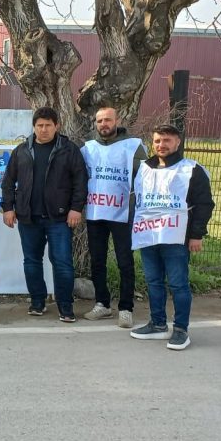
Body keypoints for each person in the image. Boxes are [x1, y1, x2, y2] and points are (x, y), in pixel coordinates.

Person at [130, 125, 214, 350]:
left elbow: (205, 204)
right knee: (153, 281)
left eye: (167, 140)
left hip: (177, 238)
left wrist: (197, 235)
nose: (161, 145)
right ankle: (157, 324)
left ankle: (180, 330)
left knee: (178, 284)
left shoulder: (191, 170)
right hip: (148, 235)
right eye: (157, 141)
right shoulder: (144, 168)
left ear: (178, 142)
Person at [1, 106, 88, 322]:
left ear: (57, 126)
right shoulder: (21, 150)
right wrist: (9, 208)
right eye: (40, 125)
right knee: (31, 261)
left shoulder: (69, 150)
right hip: (28, 217)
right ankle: (37, 302)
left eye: (48, 125)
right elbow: (8, 182)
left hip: (59, 218)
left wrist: (76, 208)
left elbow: (80, 181)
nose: (44, 129)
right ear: (33, 127)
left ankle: (65, 307)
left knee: (63, 263)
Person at [80, 107, 147, 328]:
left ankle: (126, 308)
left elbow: (144, 178)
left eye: (108, 120)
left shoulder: (133, 146)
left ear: (117, 121)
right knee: (97, 260)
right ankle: (102, 304)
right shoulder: (88, 148)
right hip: (96, 212)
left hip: (123, 213)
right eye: (99, 121)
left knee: (124, 261)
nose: (103, 124)